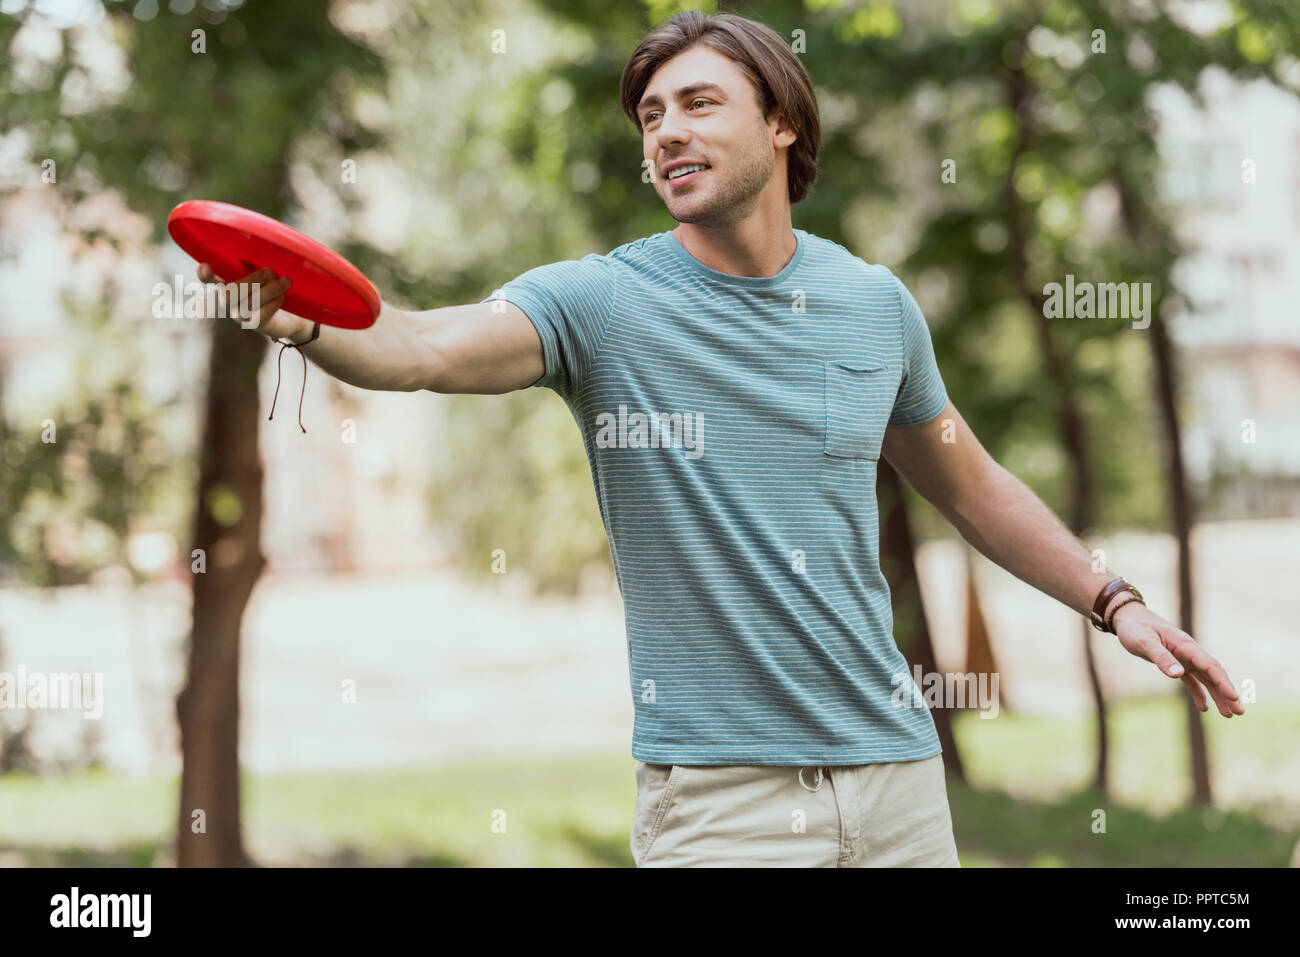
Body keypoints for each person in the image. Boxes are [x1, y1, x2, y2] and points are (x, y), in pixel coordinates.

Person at [199, 10, 1244, 867]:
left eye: (699, 103)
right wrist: (301, 319)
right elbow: (419, 346)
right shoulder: (599, 303)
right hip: (722, 805)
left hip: (897, 784)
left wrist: (1114, 602)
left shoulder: (872, 304)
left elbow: (972, 487)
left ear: (782, 123)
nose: (665, 133)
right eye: (651, 115)